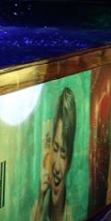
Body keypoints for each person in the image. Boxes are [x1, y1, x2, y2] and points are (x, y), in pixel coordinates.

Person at [33, 87, 76, 221]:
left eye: (63, 154)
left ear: (69, 161)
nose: (56, 167)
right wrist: (40, 203)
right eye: (55, 149)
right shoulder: (37, 210)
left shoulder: (72, 215)